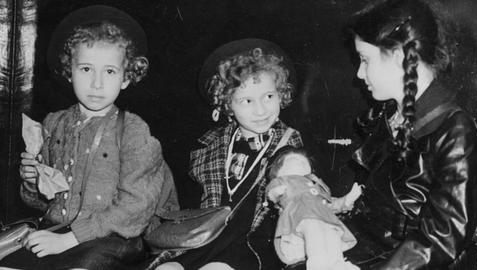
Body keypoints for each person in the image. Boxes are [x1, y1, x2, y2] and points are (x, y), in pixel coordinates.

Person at [2, 5, 179, 270]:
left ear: (126, 78)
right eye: (86, 69)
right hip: (58, 231)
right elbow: (43, 202)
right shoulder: (54, 124)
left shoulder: (133, 131)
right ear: (68, 71)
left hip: (114, 238)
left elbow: (137, 205)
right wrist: (32, 182)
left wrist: (70, 240)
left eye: (109, 71)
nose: (97, 84)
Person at [345, 0, 477, 268]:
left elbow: (443, 240)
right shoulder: (388, 114)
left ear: (397, 56)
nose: (359, 74)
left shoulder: (454, 130)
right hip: (373, 250)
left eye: (364, 60)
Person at [153, 39, 303, 270]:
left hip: (254, 244)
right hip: (205, 240)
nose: (261, 109)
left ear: (281, 93)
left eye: (269, 96)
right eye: (247, 101)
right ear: (226, 104)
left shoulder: (289, 146)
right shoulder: (209, 145)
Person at [265, 146, 361, 270]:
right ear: (278, 170)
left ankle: (338, 263)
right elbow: (271, 192)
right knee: (313, 229)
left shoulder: (316, 188)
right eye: (294, 160)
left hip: (322, 221)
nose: (300, 162)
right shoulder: (284, 181)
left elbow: (329, 205)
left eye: (303, 161)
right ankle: (318, 265)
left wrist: (346, 200)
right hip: (298, 224)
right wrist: (275, 191)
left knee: (333, 234)